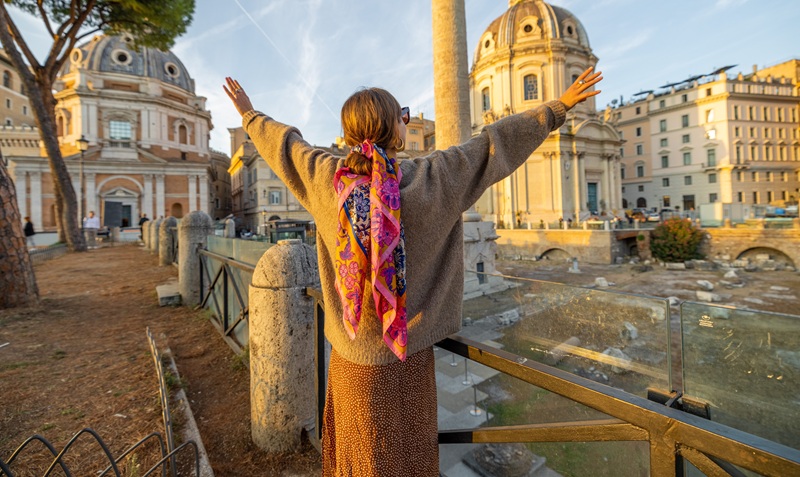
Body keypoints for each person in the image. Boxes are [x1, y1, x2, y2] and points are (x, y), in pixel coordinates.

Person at [224, 66, 602, 476]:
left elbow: (285, 145)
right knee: (409, 457)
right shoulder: (435, 177)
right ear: (394, 128)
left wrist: (249, 115)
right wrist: (557, 108)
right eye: (403, 115)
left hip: (351, 358)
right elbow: (495, 144)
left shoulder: (325, 177)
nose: (407, 121)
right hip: (409, 354)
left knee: (358, 457)